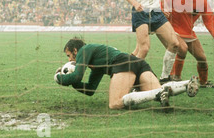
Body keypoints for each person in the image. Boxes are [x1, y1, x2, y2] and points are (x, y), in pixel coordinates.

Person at [54, 38, 200, 110]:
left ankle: (157, 93)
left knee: (115, 103)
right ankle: (186, 84)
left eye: (69, 55)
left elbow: (77, 75)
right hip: (137, 63)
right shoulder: (95, 63)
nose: (70, 60)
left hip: (122, 63)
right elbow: (90, 89)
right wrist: (73, 83)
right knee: (159, 91)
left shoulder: (84, 51)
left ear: (75, 51)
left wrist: (60, 78)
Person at [166, 0, 214, 88]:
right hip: (173, 30)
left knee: (202, 58)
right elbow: (161, 6)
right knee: (182, 49)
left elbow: (209, 20)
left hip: (188, 32)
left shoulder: (202, 2)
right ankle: (175, 77)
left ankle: (203, 82)